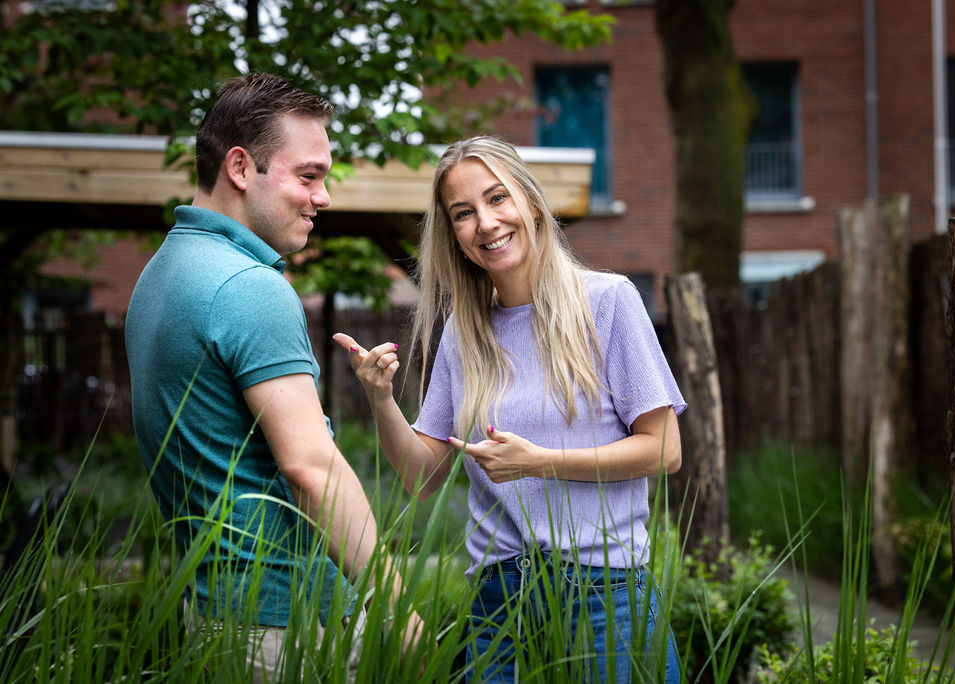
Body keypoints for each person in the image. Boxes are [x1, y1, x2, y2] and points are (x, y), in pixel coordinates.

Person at [335, 135, 685, 682]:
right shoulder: (463, 332)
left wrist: (539, 462)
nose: (487, 222)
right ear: (454, 235)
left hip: (603, 590)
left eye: (497, 198)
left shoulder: (609, 302)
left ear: (529, 201)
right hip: (501, 600)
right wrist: (380, 398)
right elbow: (421, 478)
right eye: (464, 213)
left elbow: (664, 449)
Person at [125, 72, 423, 681]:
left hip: (212, 610)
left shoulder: (160, 273)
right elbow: (310, 468)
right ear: (240, 167)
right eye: (308, 176)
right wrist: (398, 608)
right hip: (277, 627)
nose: (324, 197)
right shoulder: (249, 287)